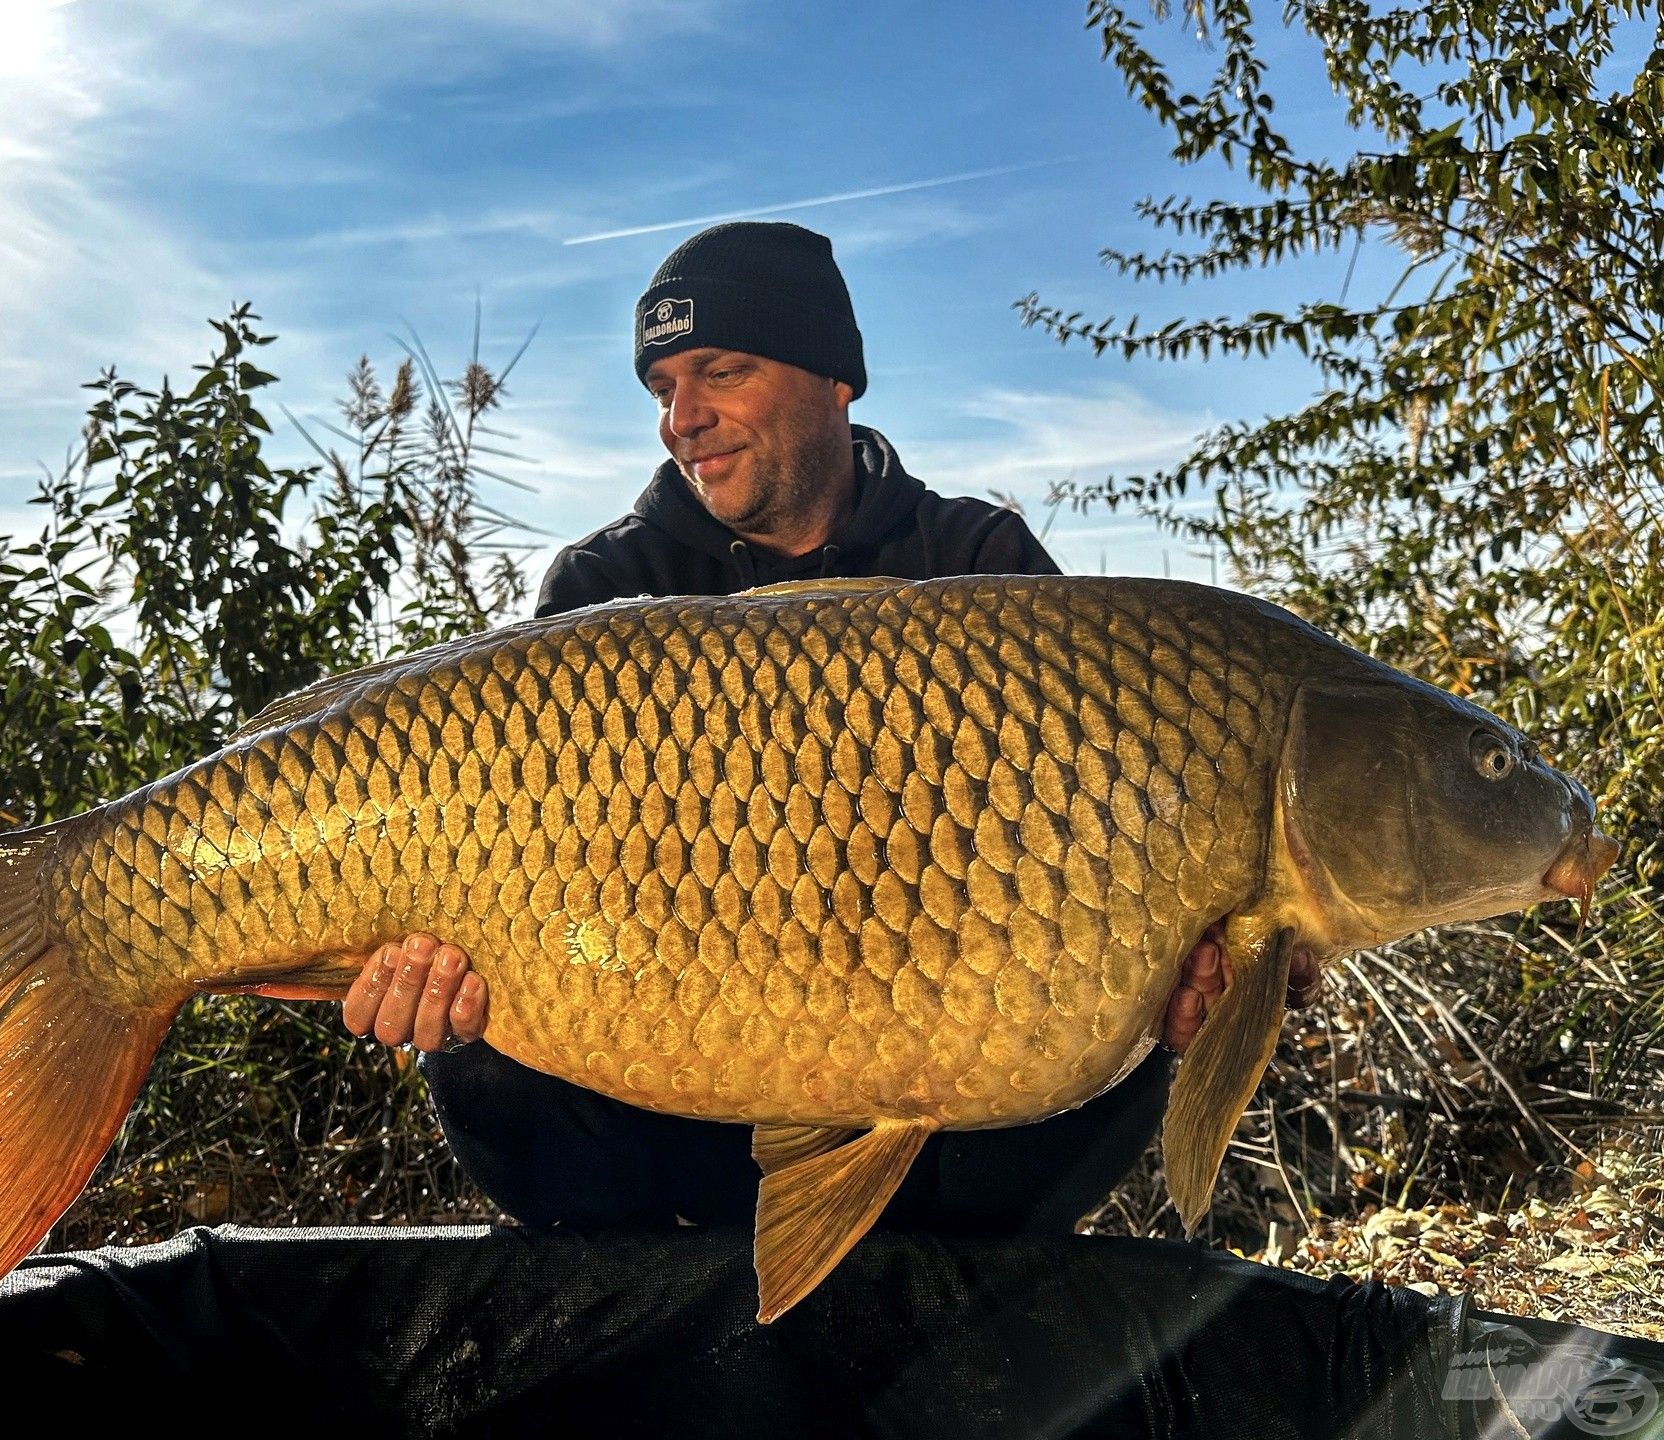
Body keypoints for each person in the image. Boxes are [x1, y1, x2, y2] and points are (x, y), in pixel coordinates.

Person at [339, 220, 1320, 1232]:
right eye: (663, 388)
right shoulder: (609, 586)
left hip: (955, 1095)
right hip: (683, 1085)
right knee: (478, 1064)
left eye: (722, 372)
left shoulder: (978, 556)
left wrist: (1203, 951)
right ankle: (674, 1316)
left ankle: (931, 1302)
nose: (685, 418)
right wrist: (426, 977)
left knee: (1139, 1029)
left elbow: (1100, 839)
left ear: (835, 380)